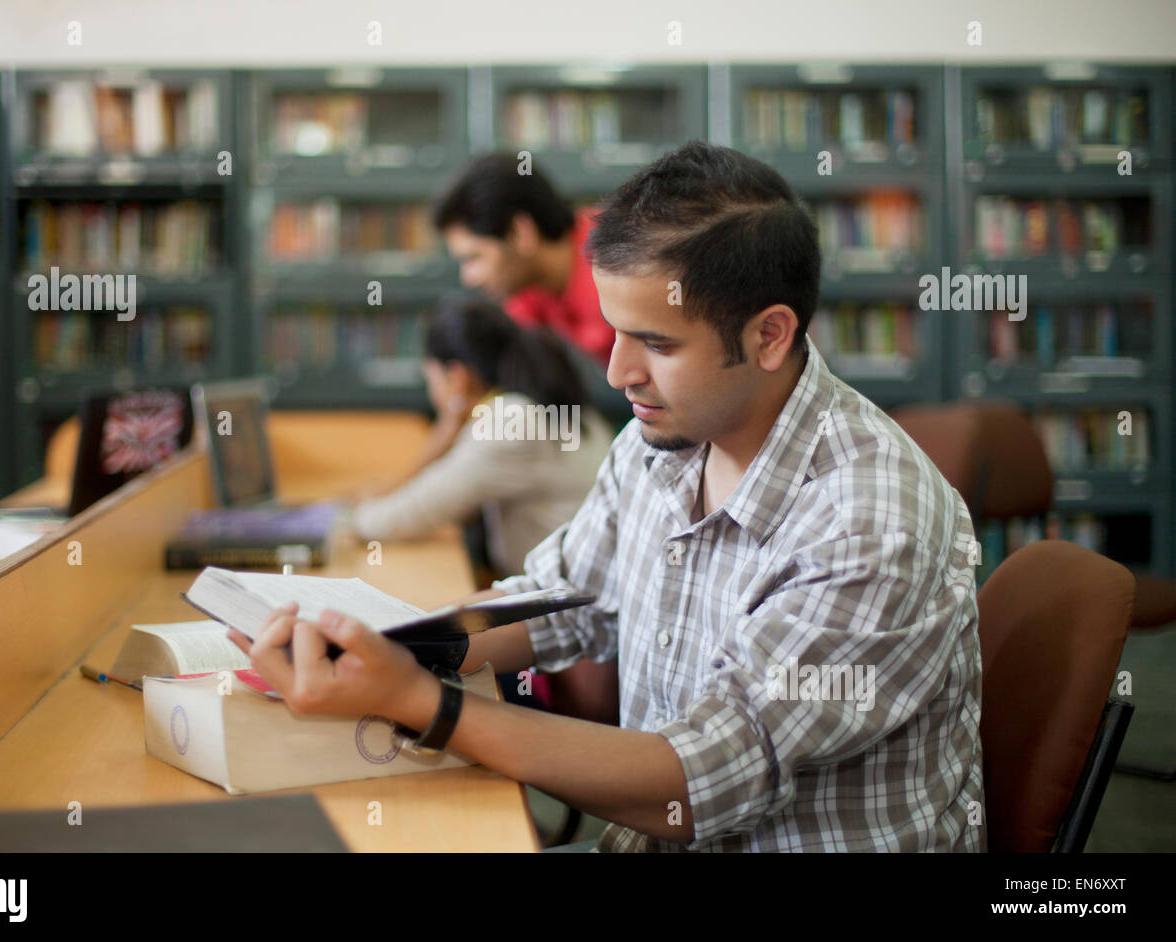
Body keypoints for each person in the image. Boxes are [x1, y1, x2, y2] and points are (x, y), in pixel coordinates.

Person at [231, 141, 985, 852]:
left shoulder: (870, 523)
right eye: (617, 332)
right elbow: (563, 596)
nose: (619, 371)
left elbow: (696, 781)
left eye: (656, 343)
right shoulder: (661, 440)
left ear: (769, 336)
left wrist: (424, 704)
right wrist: (380, 650)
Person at [351, 293, 613, 580]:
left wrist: (338, 518)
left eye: (432, 379)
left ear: (457, 378)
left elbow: (389, 521)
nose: (432, 392)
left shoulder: (510, 421)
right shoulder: (534, 401)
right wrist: (447, 434)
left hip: (567, 609)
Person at [432, 153, 615, 366]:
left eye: (473, 258)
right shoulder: (527, 287)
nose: (468, 278)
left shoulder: (625, 260)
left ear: (519, 232)